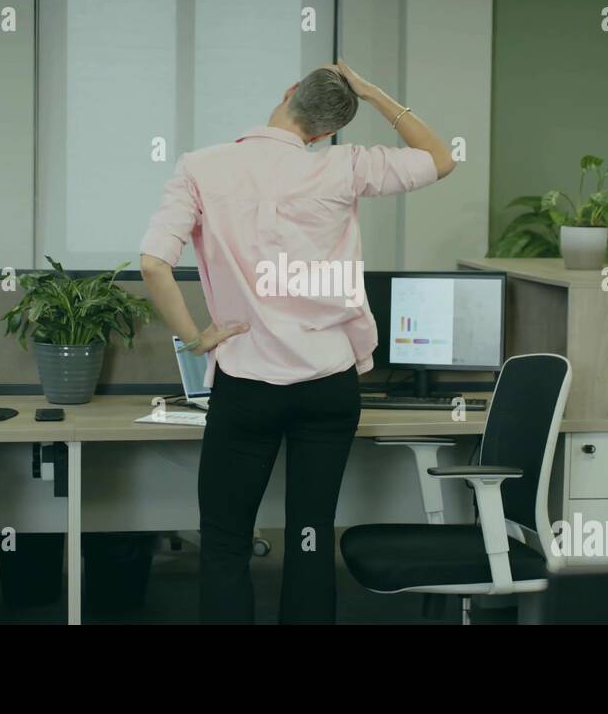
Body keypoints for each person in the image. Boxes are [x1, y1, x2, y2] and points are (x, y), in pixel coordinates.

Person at [140, 61, 455, 623]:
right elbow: (439, 158)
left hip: (247, 382)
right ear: (327, 131)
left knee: (225, 540)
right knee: (311, 534)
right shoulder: (345, 165)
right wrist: (373, 94)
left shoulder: (202, 167)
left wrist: (195, 338)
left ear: (290, 93)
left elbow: (152, 263)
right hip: (328, 382)